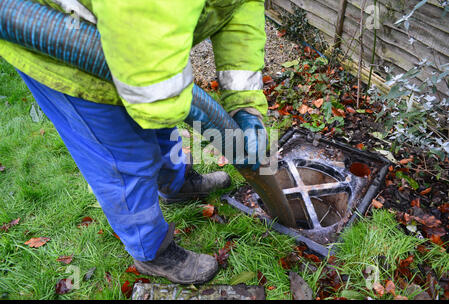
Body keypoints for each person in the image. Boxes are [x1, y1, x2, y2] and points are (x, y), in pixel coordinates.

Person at [0, 0, 268, 284]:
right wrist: (164, 105)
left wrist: (245, 104)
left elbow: (239, 10)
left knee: (163, 127)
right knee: (124, 163)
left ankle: (176, 185)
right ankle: (151, 251)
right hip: (66, 52)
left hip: (139, 48)